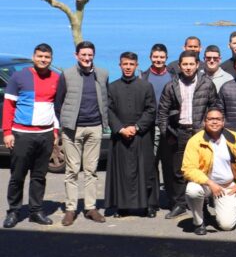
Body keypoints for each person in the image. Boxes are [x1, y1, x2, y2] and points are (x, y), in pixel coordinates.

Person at [157, 50, 221, 219]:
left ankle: (203, 205)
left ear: (197, 65)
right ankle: (180, 204)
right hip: (179, 132)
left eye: (191, 64)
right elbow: (162, 113)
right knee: (178, 171)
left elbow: (215, 108)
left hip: (200, 132)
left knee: (202, 170)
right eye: (185, 64)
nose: (188, 67)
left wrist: (212, 131)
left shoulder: (207, 84)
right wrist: (166, 133)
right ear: (179, 66)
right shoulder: (171, 86)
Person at [3, 44, 60, 228]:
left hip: (45, 134)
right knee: (17, 175)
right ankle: (13, 211)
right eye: (40, 56)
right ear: (33, 56)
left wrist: (55, 132)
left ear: (51, 59)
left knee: (39, 176)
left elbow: (56, 108)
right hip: (22, 134)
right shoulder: (19, 76)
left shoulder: (56, 78)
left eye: (47, 57)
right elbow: (9, 106)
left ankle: (36, 211)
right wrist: (7, 132)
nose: (43, 59)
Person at [55, 40, 110, 226]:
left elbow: (105, 98)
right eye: (83, 55)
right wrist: (64, 124)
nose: (87, 58)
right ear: (76, 55)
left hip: (95, 127)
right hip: (72, 129)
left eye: (90, 55)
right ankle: (70, 209)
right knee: (72, 170)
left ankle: (90, 207)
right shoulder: (67, 75)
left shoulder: (102, 74)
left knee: (91, 170)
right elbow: (58, 102)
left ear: (93, 55)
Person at [180, 107, 236, 235]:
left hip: (227, 186)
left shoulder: (235, 138)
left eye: (218, 119)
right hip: (205, 184)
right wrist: (210, 183)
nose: (214, 122)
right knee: (192, 190)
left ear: (223, 122)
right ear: (205, 122)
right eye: (211, 119)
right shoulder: (195, 141)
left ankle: (233, 205)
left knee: (227, 226)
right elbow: (188, 168)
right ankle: (199, 222)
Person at [104, 52, 158, 216]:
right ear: (120, 65)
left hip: (141, 135)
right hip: (120, 136)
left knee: (146, 170)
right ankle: (122, 206)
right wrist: (120, 129)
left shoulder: (146, 86)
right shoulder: (112, 87)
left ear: (136, 66)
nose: (128, 67)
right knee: (122, 172)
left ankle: (149, 206)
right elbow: (109, 110)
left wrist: (137, 127)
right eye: (125, 64)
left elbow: (151, 109)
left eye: (131, 64)